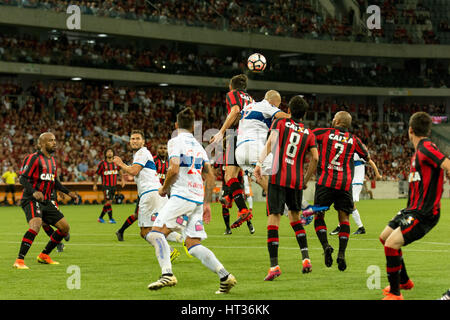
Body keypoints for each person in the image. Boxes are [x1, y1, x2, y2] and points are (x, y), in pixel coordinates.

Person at [147, 107, 236, 293]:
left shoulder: (174, 141)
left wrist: (164, 189)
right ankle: (225, 276)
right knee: (193, 245)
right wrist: (207, 204)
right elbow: (210, 176)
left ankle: (167, 274)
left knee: (155, 234)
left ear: (176, 125)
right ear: (192, 127)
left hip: (181, 196)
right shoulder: (199, 146)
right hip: (196, 199)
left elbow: (173, 169)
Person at [379, 112, 450, 300]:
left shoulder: (426, 148)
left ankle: (396, 294)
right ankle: (403, 281)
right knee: (384, 237)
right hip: (411, 209)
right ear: (428, 129)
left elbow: (447, 164)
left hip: (425, 213)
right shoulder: (420, 151)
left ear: (410, 130)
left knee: (391, 244)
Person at [254, 96, 318, 280]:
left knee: (274, 218)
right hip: (296, 181)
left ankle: (274, 266)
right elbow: (315, 158)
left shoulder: (280, 122)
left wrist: (259, 163)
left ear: (288, 110)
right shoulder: (309, 132)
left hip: (277, 176)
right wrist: (305, 179)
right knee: (296, 218)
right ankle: (306, 259)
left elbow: (271, 143)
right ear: (304, 114)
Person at [312, 111, 370, 271]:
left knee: (319, 216)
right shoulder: (354, 140)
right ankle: (341, 254)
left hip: (325, 182)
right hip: (344, 185)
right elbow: (366, 155)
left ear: (336, 121)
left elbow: (307, 137)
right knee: (344, 218)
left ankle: (325, 246)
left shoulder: (324, 133)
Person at [113, 130, 182, 262]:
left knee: (145, 232)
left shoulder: (142, 152)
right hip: (157, 193)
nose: (134, 141)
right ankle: (182, 239)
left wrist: (121, 164)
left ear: (143, 142)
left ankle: (169, 251)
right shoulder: (142, 154)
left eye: (138, 138)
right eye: (132, 139)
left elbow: (133, 171)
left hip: (149, 195)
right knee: (158, 227)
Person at [13, 132, 78, 269]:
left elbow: (55, 182)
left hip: (47, 201)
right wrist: (34, 191)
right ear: (41, 144)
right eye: (50, 141)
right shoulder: (33, 158)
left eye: (55, 140)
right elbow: (22, 178)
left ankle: (44, 255)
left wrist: (69, 193)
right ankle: (19, 261)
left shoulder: (53, 161)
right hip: (31, 199)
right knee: (36, 224)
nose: (54, 143)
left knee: (64, 227)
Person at [210, 74, 254, 229]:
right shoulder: (250, 98)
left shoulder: (232, 94)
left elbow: (235, 110)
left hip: (235, 134)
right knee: (235, 175)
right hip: (249, 136)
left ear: (231, 86)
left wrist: (221, 131)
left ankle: (242, 209)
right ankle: (232, 200)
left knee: (229, 176)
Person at [115, 144, 169, 241]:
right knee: (136, 215)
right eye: (161, 148)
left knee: (165, 215)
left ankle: (161, 236)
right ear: (157, 149)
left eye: (165, 148)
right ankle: (121, 230)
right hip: (150, 192)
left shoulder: (169, 163)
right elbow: (139, 171)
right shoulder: (152, 160)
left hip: (162, 193)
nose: (163, 150)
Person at [330, 152, 382, 235]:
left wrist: (377, 174)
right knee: (348, 204)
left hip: (356, 182)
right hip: (352, 181)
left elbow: (370, 161)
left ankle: (342, 227)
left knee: (348, 203)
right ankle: (359, 228)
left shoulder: (358, 151)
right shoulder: (352, 151)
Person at [93, 148, 125, 224]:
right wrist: (95, 184)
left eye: (111, 151)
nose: (110, 153)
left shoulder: (116, 163)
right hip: (105, 186)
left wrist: (122, 180)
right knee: (109, 201)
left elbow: (120, 171)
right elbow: (97, 174)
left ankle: (100, 218)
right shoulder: (102, 164)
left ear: (113, 153)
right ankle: (111, 219)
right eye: (108, 152)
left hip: (113, 186)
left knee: (108, 202)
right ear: (105, 154)